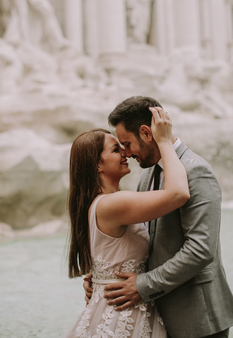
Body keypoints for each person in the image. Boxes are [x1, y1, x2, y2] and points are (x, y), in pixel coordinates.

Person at [85, 96, 233, 338]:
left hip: (197, 317)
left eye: (127, 143)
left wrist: (143, 285)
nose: (127, 153)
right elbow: (140, 241)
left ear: (147, 133)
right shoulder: (146, 176)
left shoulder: (196, 171)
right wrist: (102, 279)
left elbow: (200, 250)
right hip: (158, 314)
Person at [64, 107, 190, 337]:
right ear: (97, 165)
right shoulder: (112, 204)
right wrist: (163, 141)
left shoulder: (101, 203)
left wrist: (100, 280)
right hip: (122, 315)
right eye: (115, 149)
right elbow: (178, 194)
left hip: (119, 305)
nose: (125, 152)